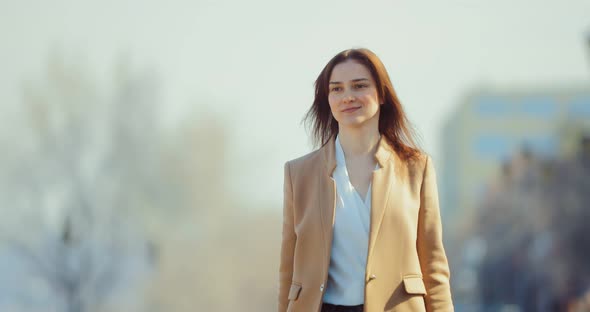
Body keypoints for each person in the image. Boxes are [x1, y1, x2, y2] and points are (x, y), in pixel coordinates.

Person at [278, 48, 453, 312]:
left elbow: (433, 266)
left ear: (382, 94)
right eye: (336, 89)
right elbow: (289, 270)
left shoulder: (416, 168)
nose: (347, 97)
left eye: (359, 86)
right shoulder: (299, 173)